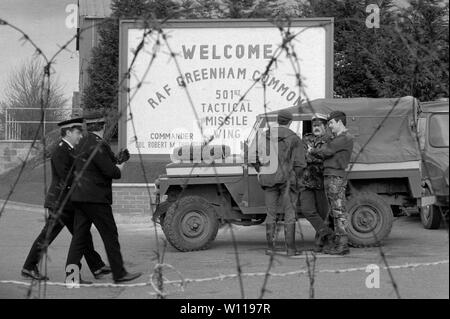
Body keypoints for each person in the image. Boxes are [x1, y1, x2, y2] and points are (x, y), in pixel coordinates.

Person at [21, 118, 110, 282]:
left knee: (81, 235)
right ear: (68, 132)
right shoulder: (61, 150)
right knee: (49, 236)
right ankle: (29, 267)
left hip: (68, 203)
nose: (80, 136)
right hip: (60, 203)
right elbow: (67, 177)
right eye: (77, 132)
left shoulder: (70, 149)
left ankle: (97, 266)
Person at [65, 112, 141, 284]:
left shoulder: (81, 142)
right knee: (110, 235)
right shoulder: (99, 144)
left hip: (79, 197)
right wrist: (121, 164)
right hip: (96, 199)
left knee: (79, 237)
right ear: (103, 126)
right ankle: (119, 273)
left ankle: (72, 277)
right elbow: (112, 172)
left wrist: (115, 160)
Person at [257, 109, 306, 256]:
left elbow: (254, 156)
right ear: (290, 122)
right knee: (289, 213)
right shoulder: (294, 138)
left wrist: (261, 170)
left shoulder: (264, 135)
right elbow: (300, 163)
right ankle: (290, 249)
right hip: (288, 180)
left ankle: (270, 248)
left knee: (270, 213)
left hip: (269, 179)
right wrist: (297, 179)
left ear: (278, 120)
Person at [311, 111, 354, 255]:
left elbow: (326, 151)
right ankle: (326, 242)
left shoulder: (344, 138)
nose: (329, 126)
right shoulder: (339, 138)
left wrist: (312, 150)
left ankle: (342, 245)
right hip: (331, 176)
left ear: (339, 122)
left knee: (338, 211)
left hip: (335, 177)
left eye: (331, 123)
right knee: (333, 210)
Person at [299, 114, 334, 252]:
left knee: (323, 213)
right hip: (306, 181)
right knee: (307, 210)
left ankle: (322, 243)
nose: (316, 128)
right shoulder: (306, 138)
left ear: (325, 126)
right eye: (314, 125)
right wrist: (315, 155)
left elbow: (326, 158)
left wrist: (311, 154)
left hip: (322, 181)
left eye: (319, 125)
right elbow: (302, 157)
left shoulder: (330, 140)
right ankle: (329, 234)